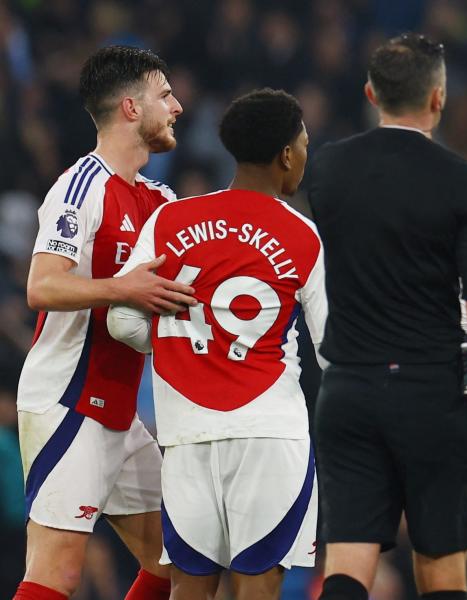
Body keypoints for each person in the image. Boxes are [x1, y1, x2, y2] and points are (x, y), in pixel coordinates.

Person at [305, 32, 467, 600]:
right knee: (442, 570)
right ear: (439, 98)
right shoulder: (463, 181)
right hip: (433, 394)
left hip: (348, 388)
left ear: (372, 92)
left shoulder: (327, 170)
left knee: (347, 561)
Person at [107, 88, 322, 599]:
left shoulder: (168, 221)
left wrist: (179, 341)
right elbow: (334, 345)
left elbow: (121, 319)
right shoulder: (301, 233)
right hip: (270, 435)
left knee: (189, 587)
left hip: (186, 437)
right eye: (306, 146)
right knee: (258, 588)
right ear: (287, 155)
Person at [15, 45, 192, 600]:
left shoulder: (161, 201)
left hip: (119, 412)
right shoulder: (79, 188)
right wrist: (123, 288)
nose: (178, 106)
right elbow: (41, 286)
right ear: (131, 108)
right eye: (165, 95)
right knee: (57, 574)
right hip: (68, 399)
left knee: (178, 559)